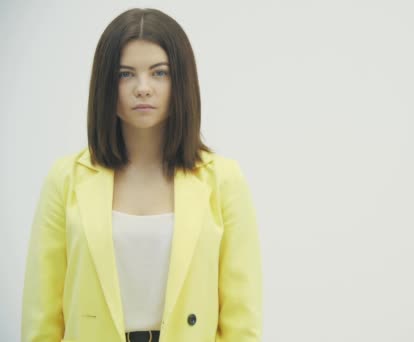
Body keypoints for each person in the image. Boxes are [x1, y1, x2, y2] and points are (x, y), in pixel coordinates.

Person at [21, 8, 262, 342]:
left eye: (159, 73)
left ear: (181, 81)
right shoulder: (66, 179)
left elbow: (242, 322)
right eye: (125, 74)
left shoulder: (223, 180)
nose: (143, 88)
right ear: (106, 83)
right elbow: (41, 319)